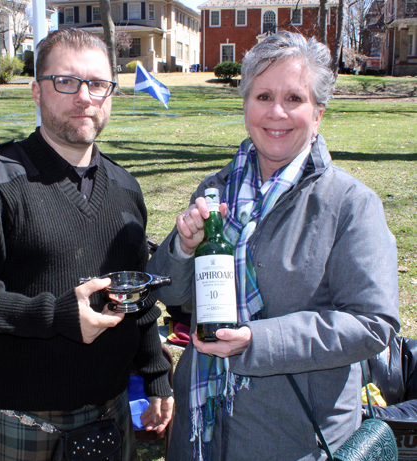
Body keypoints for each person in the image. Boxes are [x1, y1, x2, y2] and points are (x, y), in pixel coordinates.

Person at [147, 31, 399, 460]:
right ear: (245, 106)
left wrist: (255, 342)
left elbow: (373, 325)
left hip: (291, 437)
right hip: (201, 429)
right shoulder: (215, 190)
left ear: (318, 113)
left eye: (294, 99)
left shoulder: (350, 204)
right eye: (263, 96)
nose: (276, 112)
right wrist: (183, 250)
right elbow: (171, 294)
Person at [0, 29, 173, 461]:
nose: (84, 97)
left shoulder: (125, 187)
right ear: (37, 91)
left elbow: (139, 296)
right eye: (66, 82)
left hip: (111, 412)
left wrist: (155, 375)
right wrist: (52, 316)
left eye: (97, 83)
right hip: (23, 418)